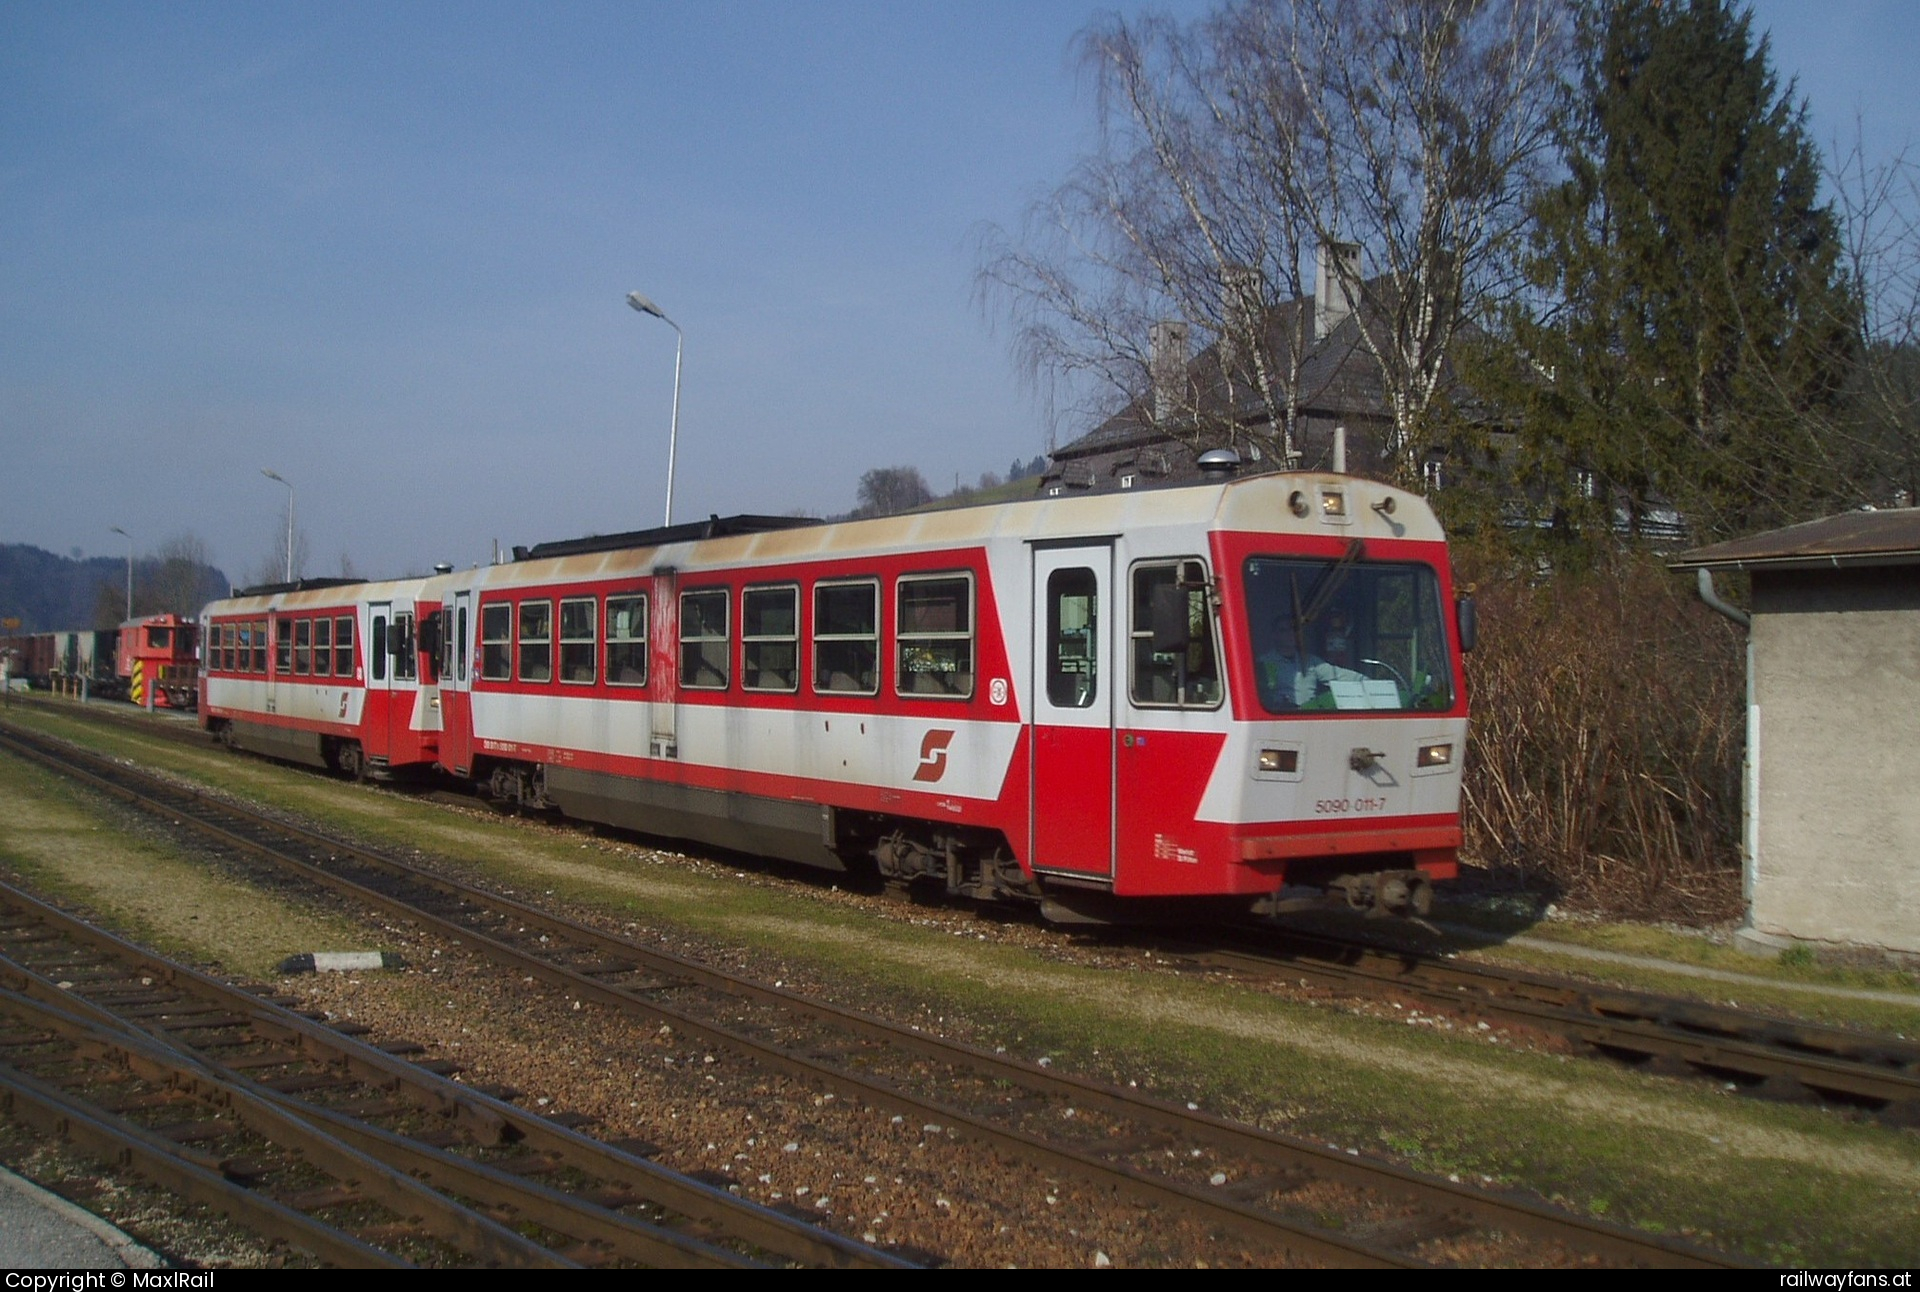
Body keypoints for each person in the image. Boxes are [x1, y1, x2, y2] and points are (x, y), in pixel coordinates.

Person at [1257, 613, 1362, 709]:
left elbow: (1337, 674)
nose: (1290, 633)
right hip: (1280, 718)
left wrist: (1368, 681)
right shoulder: (1263, 663)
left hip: (1309, 716)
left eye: (1293, 629)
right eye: (1283, 630)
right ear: (1274, 635)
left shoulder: (1310, 661)